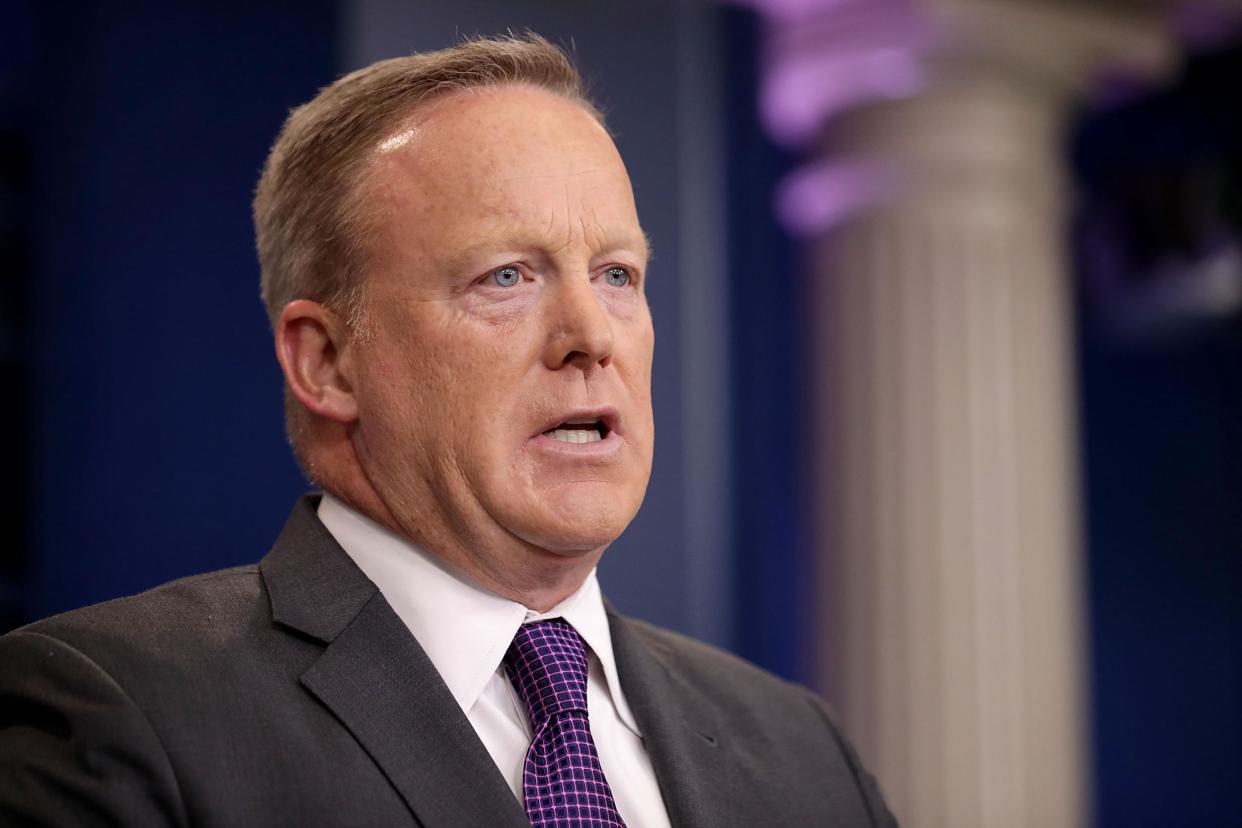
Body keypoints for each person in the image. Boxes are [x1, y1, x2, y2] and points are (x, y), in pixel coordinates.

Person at [0, 35, 896, 827]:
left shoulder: (801, 751)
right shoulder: (115, 713)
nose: (591, 335)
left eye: (618, 275)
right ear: (326, 362)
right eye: (507, 277)